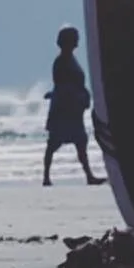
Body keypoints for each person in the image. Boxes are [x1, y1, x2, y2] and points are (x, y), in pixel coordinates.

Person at [43, 25, 106, 187]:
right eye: (74, 38)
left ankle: (89, 176)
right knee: (54, 143)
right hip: (65, 108)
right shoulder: (61, 62)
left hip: (72, 108)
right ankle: (46, 176)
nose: (77, 41)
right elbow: (62, 84)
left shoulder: (70, 60)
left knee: (80, 141)